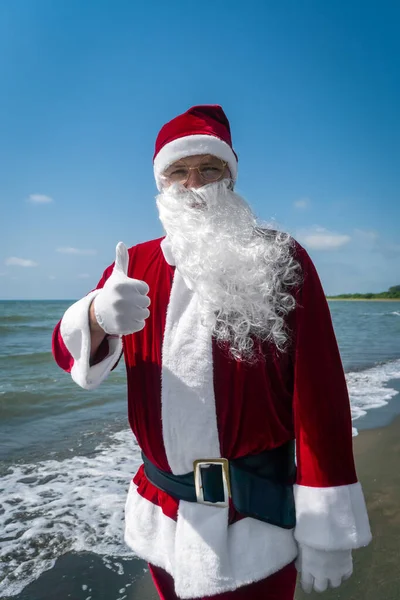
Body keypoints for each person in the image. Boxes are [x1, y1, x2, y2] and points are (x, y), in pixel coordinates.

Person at [52, 105, 372, 600]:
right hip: (164, 516)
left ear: (230, 175)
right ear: (161, 184)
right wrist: (94, 316)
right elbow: (66, 354)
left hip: (256, 519)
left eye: (208, 168)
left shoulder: (281, 257)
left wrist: (327, 531)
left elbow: (321, 395)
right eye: (177, 172)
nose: (192, 184)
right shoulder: (132, 263)